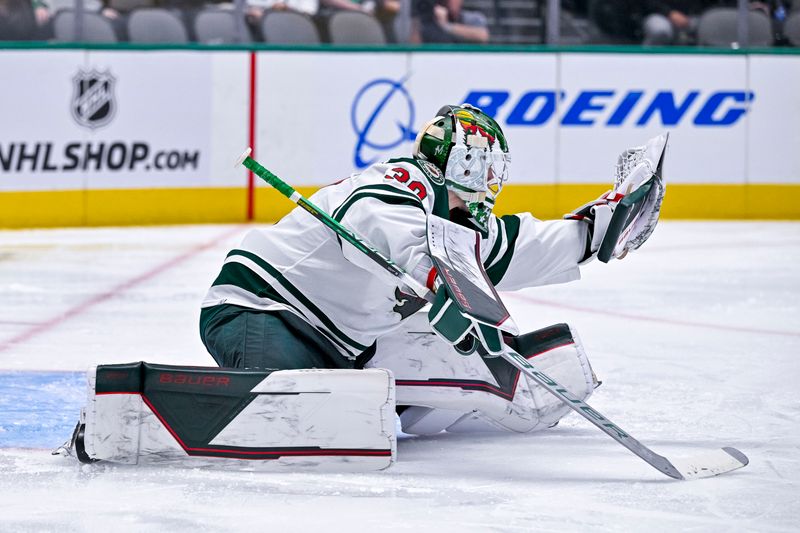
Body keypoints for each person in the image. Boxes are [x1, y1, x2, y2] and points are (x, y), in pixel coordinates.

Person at [199, 104, 665, 435]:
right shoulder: (398, 182)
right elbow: (378, 225)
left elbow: (518, 247)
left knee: (459, 345)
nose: (493, 186)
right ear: (466, 162)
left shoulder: (455, 223)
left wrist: (595, 231)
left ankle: (446, 395)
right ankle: (226, 404)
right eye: (490, 171)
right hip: (263, 310)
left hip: (345, 345)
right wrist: (440, 281)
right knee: (295, 421)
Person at [412, 0, 489, 43]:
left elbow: (483, 36)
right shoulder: (430, 21)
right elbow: (414, 47)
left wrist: (447, 26)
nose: (452, 2)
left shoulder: (471, 18)